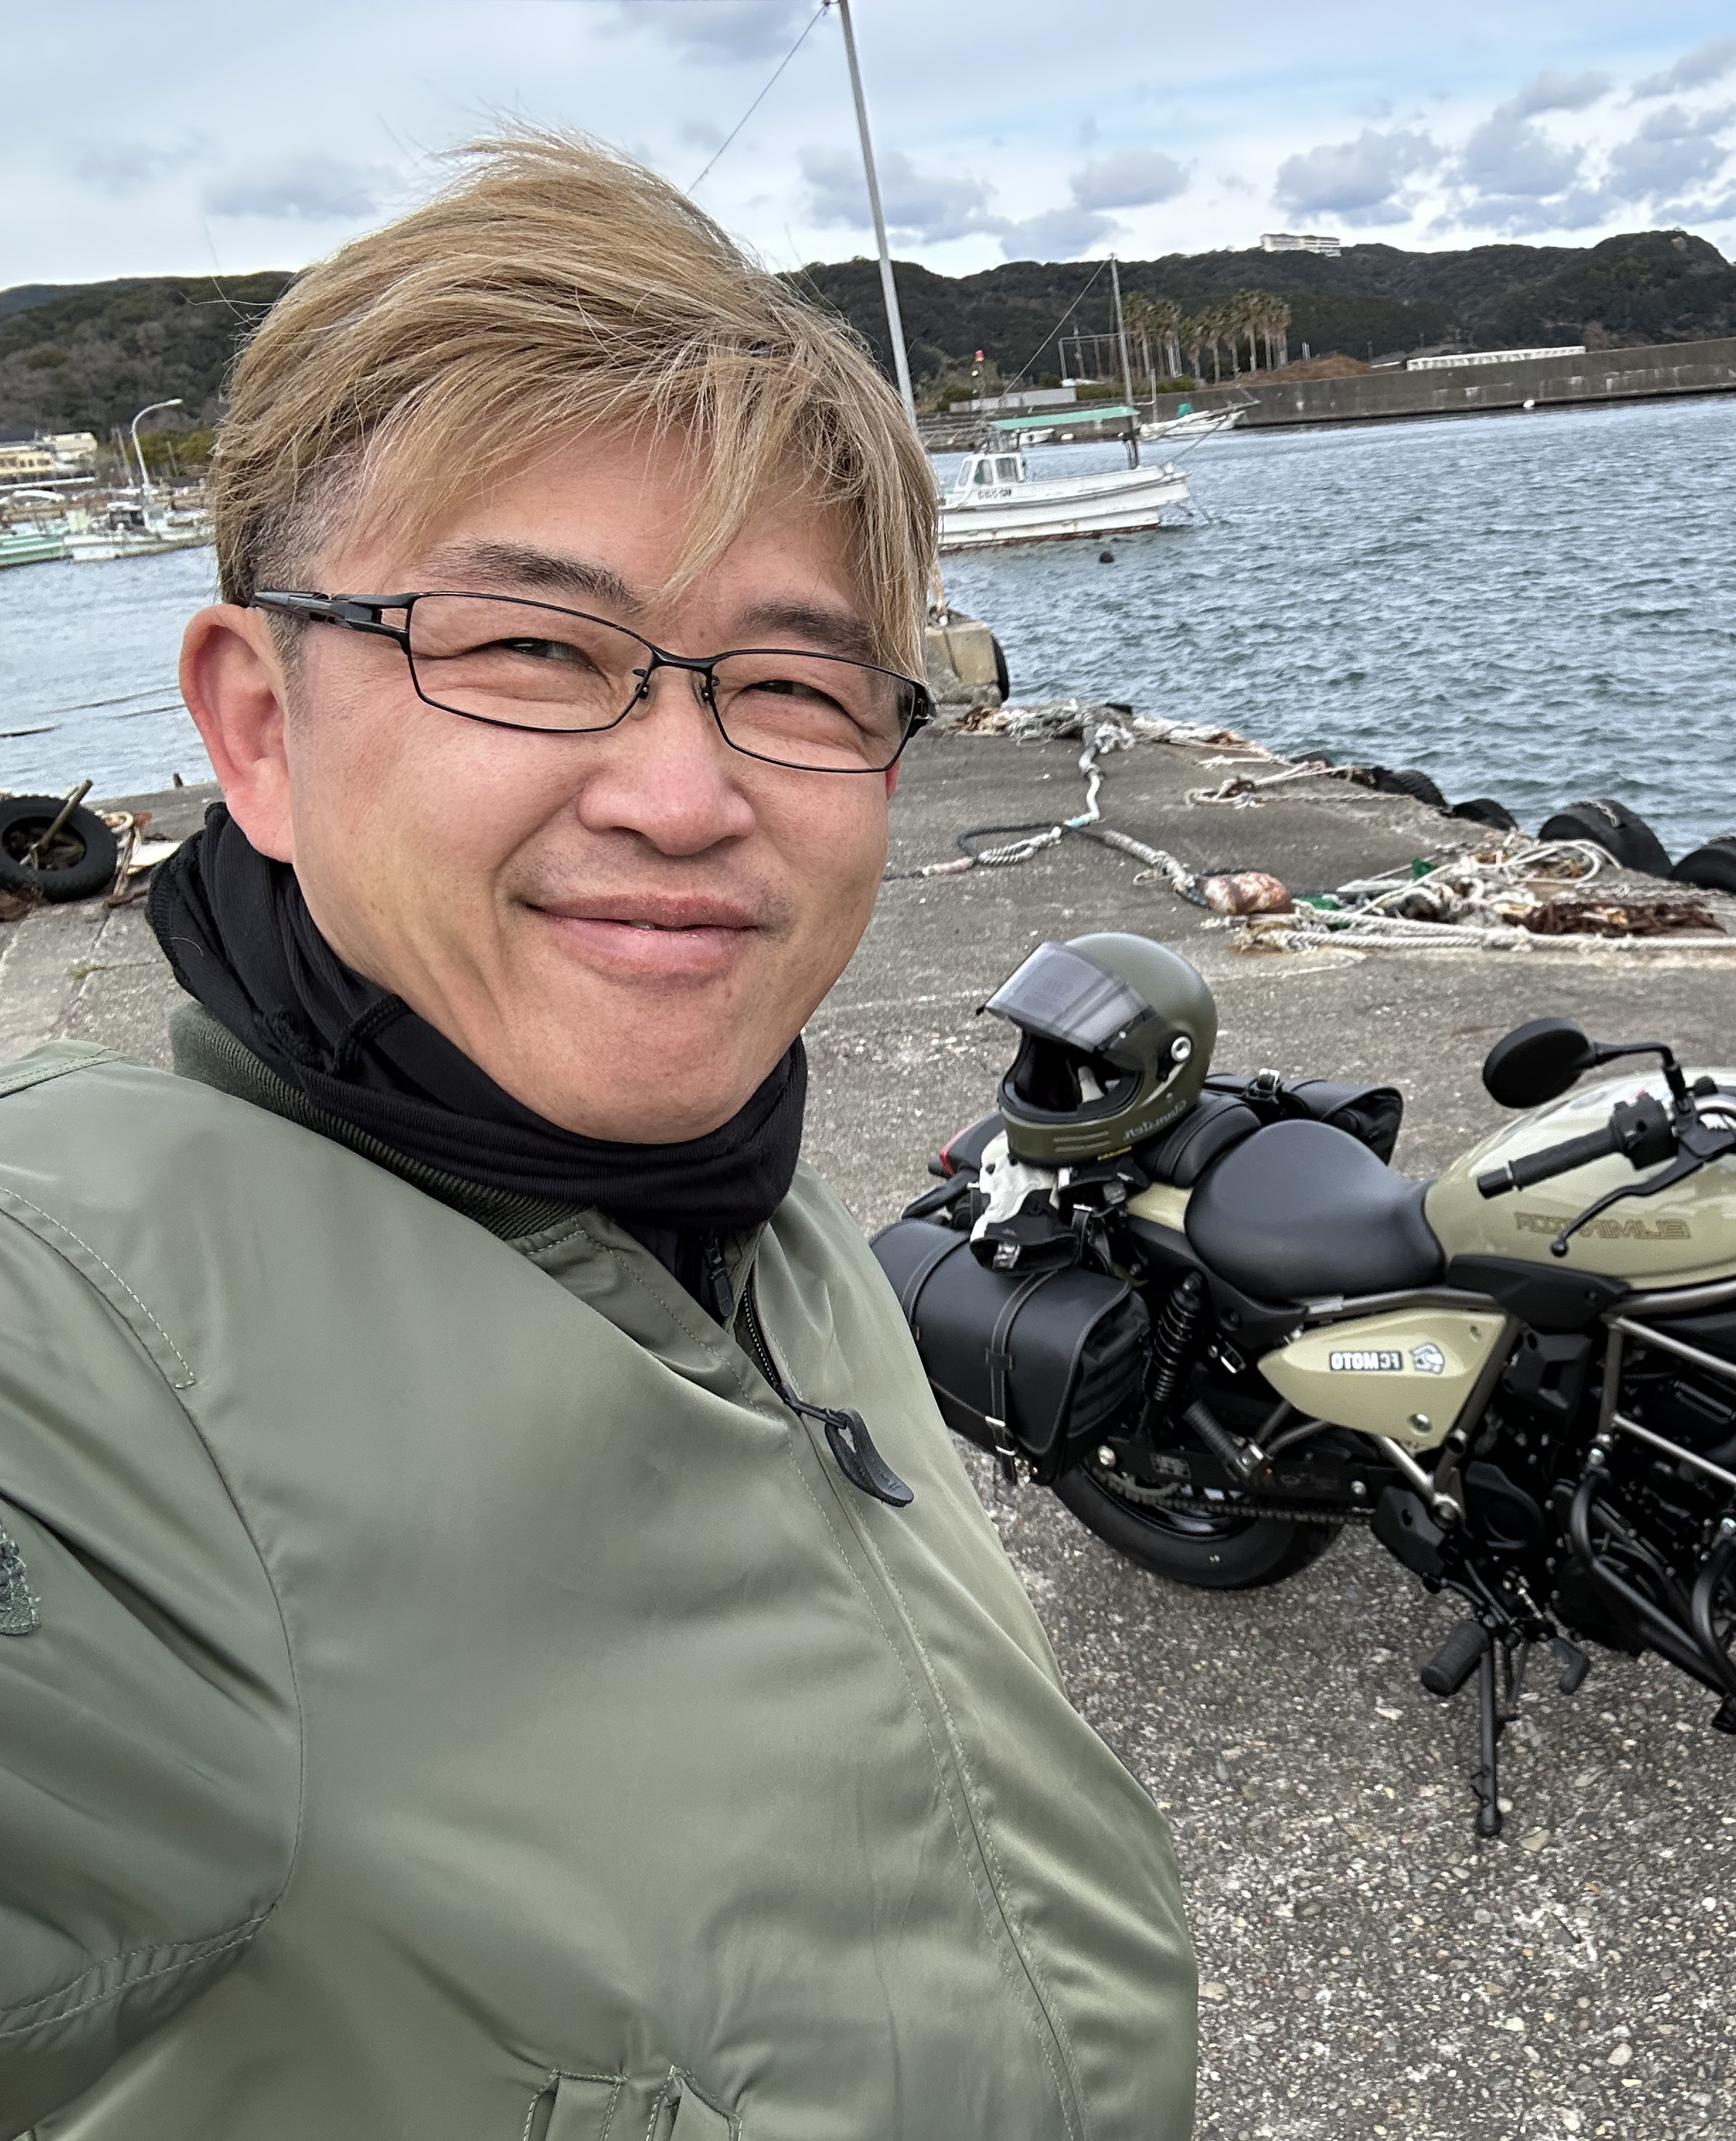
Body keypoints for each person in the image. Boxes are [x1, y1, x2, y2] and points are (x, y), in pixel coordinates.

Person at [0, 136, 1197, 2140]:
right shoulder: (73, 1344)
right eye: (534, 649)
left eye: (795, 685)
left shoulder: (757, 1223)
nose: (685, 795)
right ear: (260, 731)